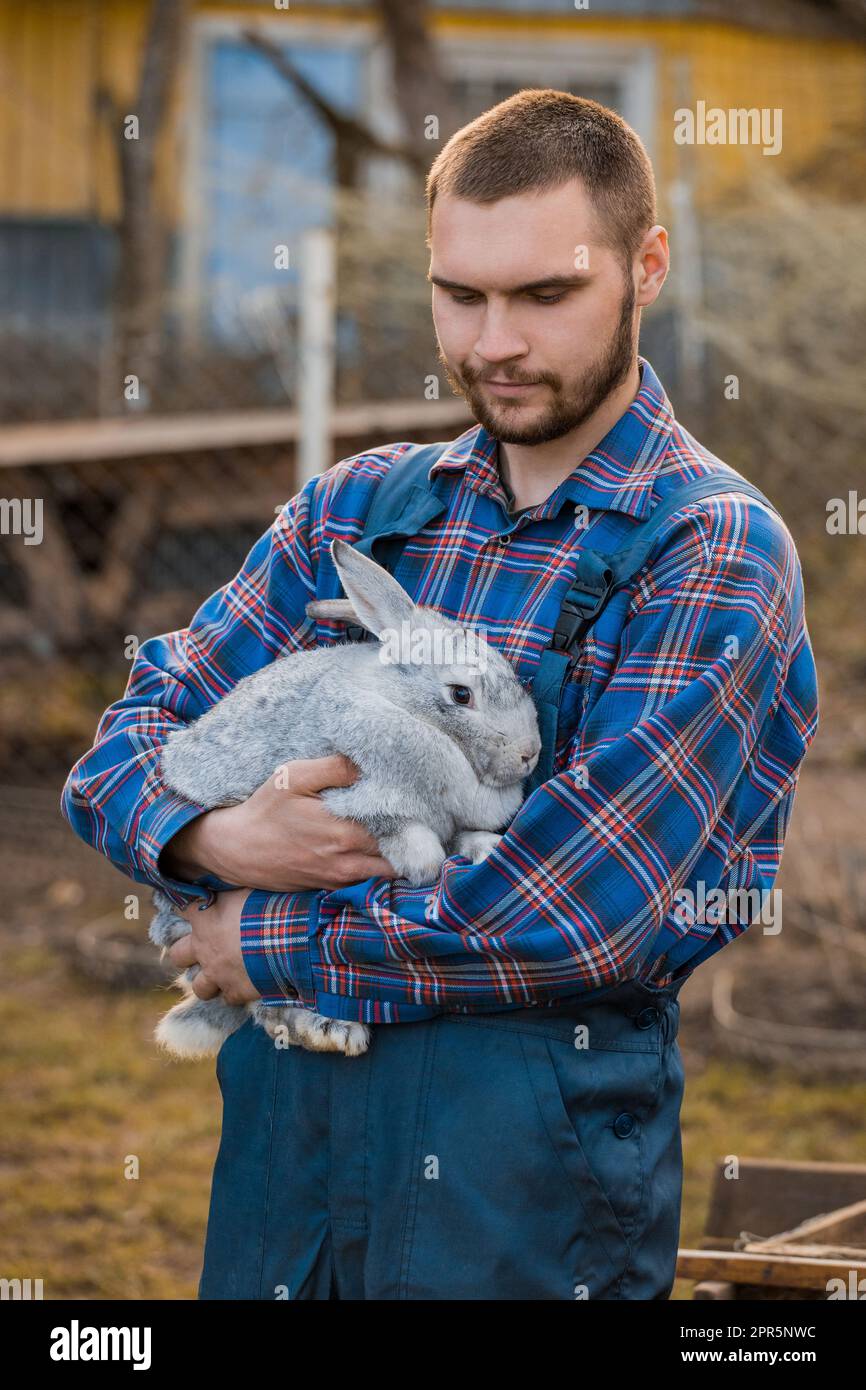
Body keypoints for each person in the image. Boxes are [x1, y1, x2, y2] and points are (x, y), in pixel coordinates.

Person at [61, 89, 819, 1300]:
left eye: (542, 296)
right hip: (288, 1167)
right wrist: (208, 831)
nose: (491, 343)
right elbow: (123, 750)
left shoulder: (708, 548)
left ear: (646, 267)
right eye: (458, 295)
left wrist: (263, 934)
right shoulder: (355, 513)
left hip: (518, 1190)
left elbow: (577, 914)